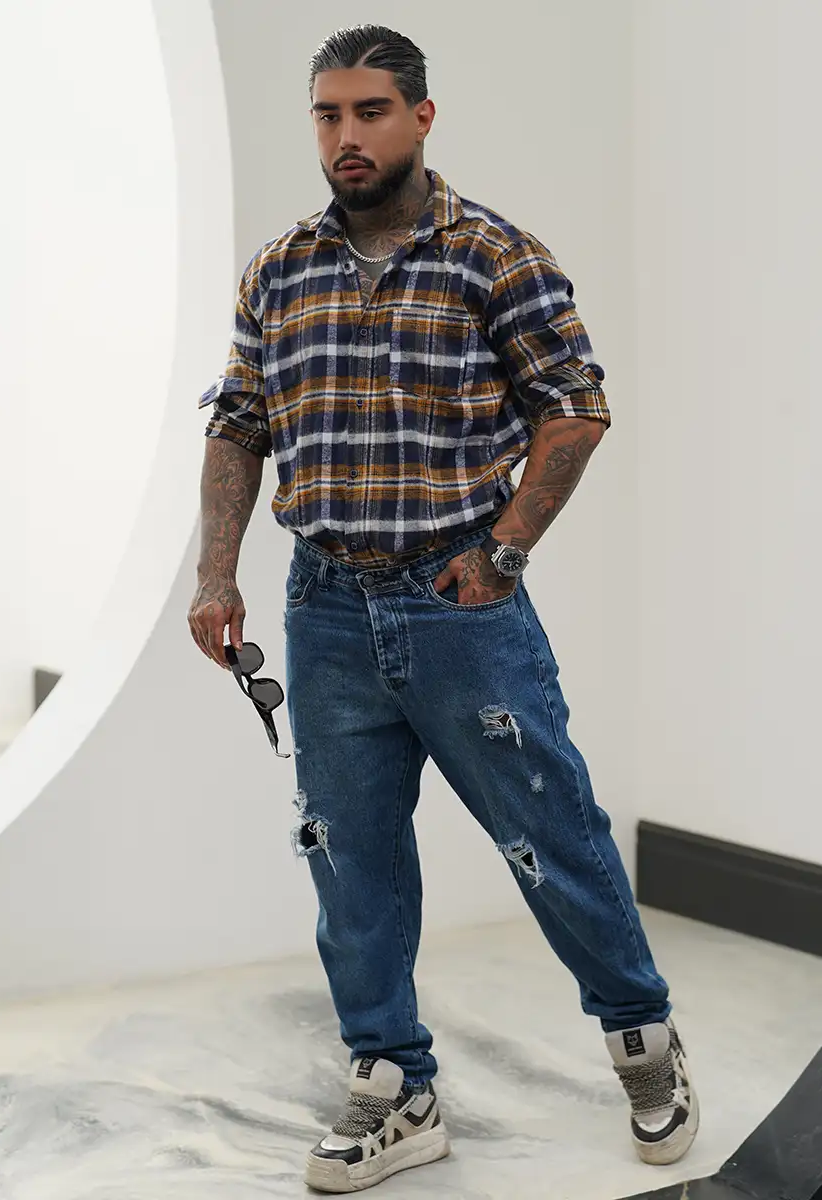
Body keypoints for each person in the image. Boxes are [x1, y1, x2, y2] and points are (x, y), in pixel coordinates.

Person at [187, 23, 698, 1195]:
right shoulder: (280, 269)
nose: (347, 135)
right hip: (323, 608)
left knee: (553, 837)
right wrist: (216, 575)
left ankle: (643, 1043)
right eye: (328, 114)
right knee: (347, 856)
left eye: (370, 111)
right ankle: (394, 1085)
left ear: (421, 116)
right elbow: (239, 423)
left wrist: (505, 551)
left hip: (460, 605)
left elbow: (576, 409)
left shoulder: (495, 258)